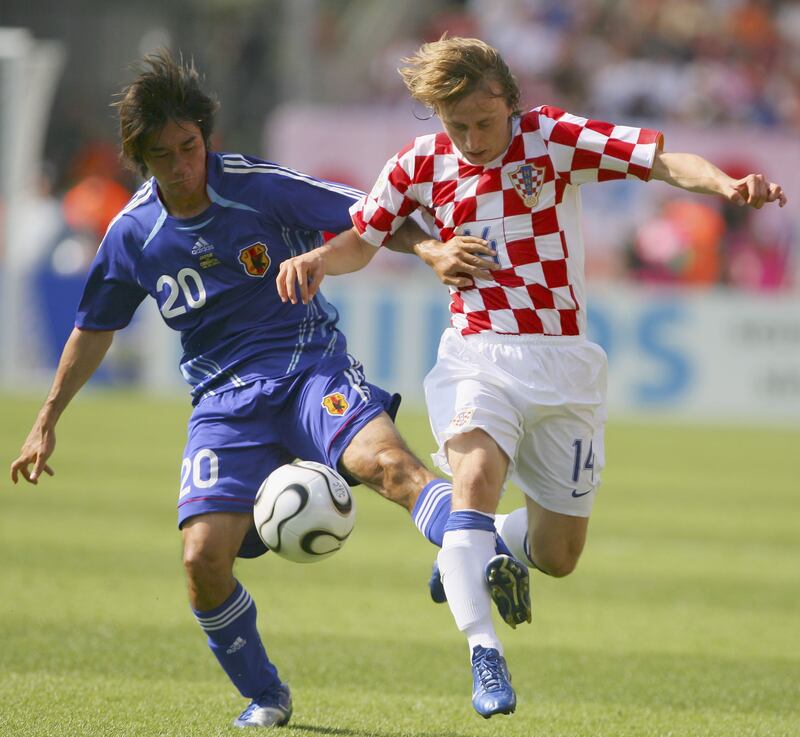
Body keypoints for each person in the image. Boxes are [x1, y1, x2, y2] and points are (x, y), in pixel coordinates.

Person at [8, 50, 530, 730]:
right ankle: (266, 693)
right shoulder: (132, 234)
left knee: (389, 465)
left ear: (206, 137)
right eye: (162, 155)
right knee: (201, 556)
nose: (181, 165)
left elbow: (370, 214)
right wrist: (47, 418)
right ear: (141, 158)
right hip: (224, 404)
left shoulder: (255, 186)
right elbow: (94, 326)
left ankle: (465, 546)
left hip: (309, 364)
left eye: (190, 147)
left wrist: (430, 249)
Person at [277, 36, 787, 719]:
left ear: (509, 102)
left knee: (559, 551)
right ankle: (484, 650)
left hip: (564, 363)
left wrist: (725, 183)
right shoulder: (417, 164)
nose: (472, 138)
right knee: (476, 477)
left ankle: (470, 546)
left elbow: (662, 160)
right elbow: (360, 241)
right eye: (457, 125)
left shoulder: (552, 139)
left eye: (484, 122)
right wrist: (318, 261)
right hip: (478, 353)